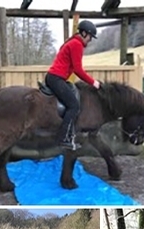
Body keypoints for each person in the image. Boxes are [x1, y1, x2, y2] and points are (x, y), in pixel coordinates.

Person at [46, 20, 102, 151]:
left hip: (56, 77)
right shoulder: (76, 45)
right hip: (56, 78)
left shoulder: (71, 42)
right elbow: (78, 69)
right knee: (74, 106)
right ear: (83, 33)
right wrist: (93, 82)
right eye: (90, 37)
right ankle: (64, 138)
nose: (90, 40)